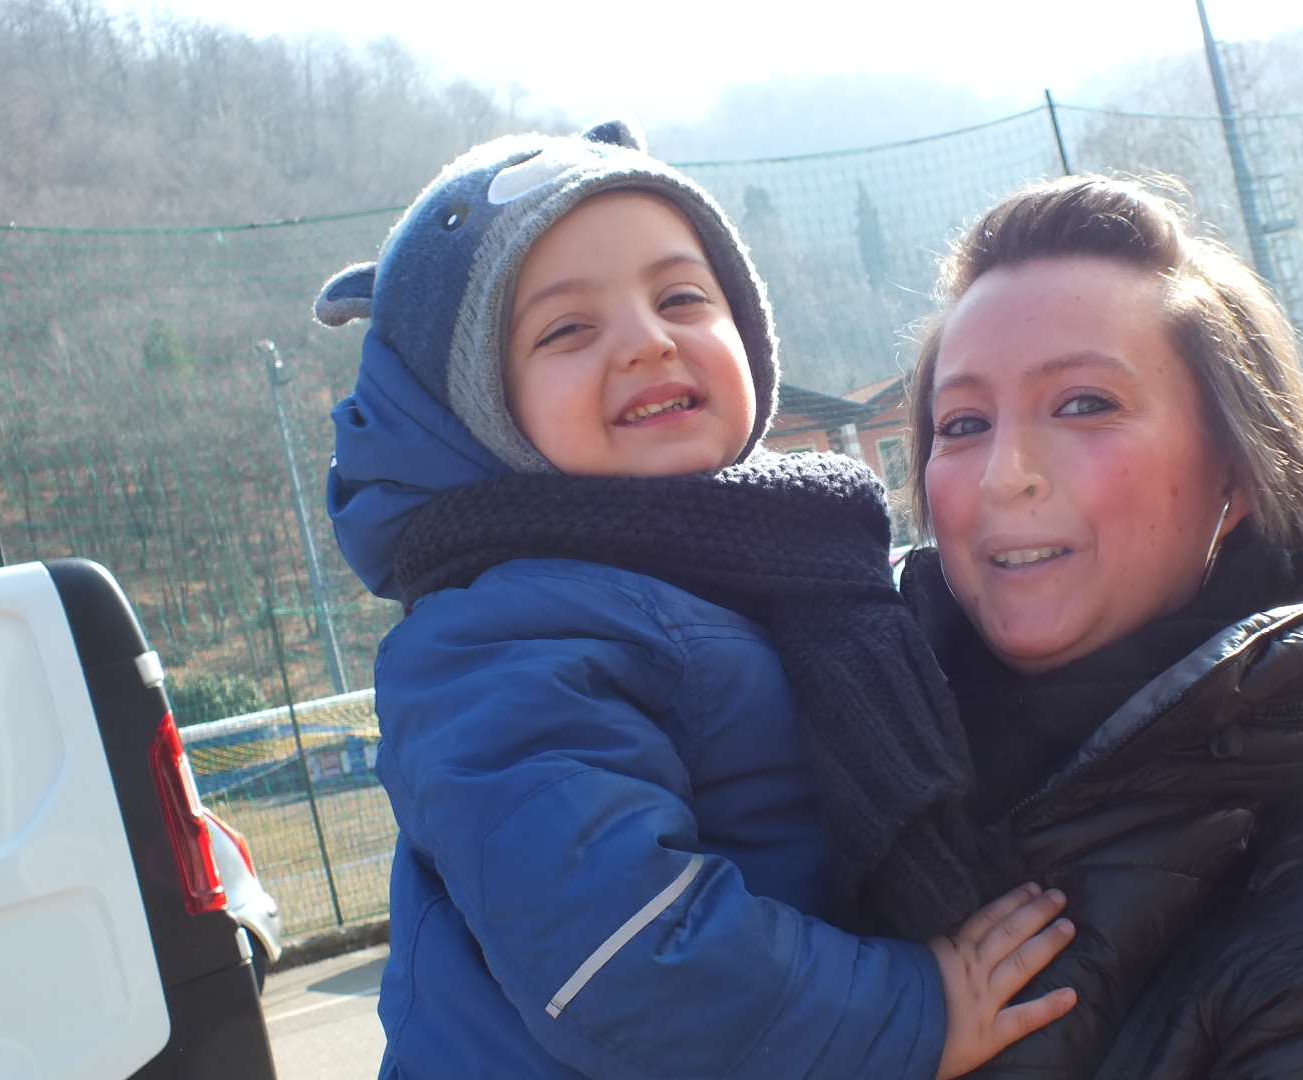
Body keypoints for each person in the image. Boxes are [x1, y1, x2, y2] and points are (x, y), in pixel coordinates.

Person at [314, 123, 1074, 1080]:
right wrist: (915, 1011)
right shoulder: (497, 643)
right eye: (566, 329)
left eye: (681, 297)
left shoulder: (766, 567)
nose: (647, 340)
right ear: (472, 414)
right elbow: (623, 956)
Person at [886, 176, 1303, 1079]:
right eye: (962, 423)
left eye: (1083, 403)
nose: (1002, 475)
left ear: (1238, 473)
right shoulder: (836, 795)